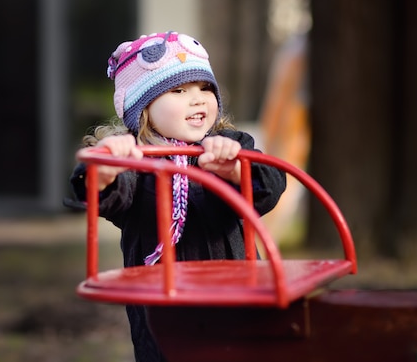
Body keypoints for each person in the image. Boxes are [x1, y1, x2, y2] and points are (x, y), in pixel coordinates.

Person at [69, 31, 286, 362]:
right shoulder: (135, 159)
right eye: (179, 90)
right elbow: (105, 195)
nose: (197, 99)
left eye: (204, 89)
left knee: (241, 351)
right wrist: (106, 168)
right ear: (143, 109)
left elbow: (269, 190)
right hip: (162, 301)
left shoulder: (230, 145)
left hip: (234, 290)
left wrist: (234, 171)